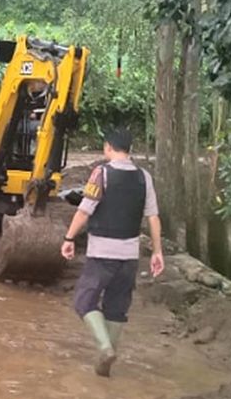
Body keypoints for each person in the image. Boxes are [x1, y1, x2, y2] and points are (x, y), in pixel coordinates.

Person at [61, 129, 164, 377]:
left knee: (84, 301)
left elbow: (85, 210)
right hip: (129, 255)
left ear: (108, 147)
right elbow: (153, 217)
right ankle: (105, 365)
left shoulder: (101, 173)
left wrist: (69, 238)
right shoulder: (144, 177)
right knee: (117, 307)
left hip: (102, 252)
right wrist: (157, 252)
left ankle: (105, 347)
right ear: (128, 149)